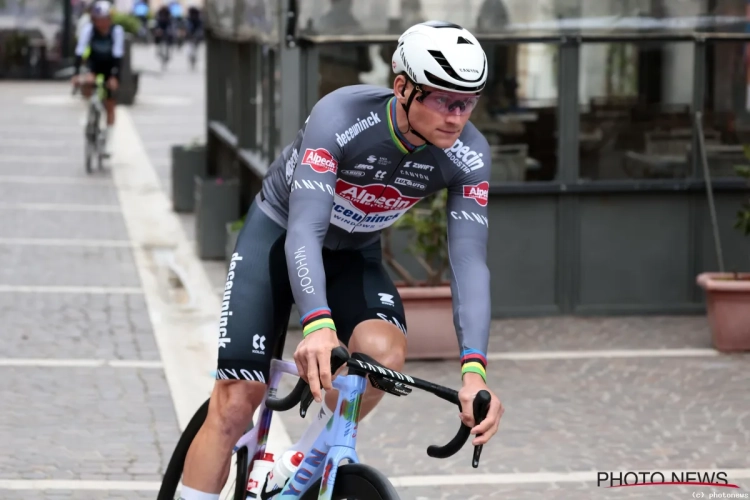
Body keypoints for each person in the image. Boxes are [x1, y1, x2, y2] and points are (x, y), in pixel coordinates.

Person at [178, 21, 504, 500]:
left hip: (355, 251)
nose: (457, 117)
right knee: (234, 405)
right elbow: (304, 231)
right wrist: (316, 324)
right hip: (279, 234)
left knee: (384, 354)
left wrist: (474, 372)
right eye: (443, 99)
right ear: (402, 88)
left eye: (468, 102)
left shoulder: (469, 155)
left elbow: (470, 263)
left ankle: (299, 462)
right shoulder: (341, 116)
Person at [72, 0, 123, 156]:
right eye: (98, 19)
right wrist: (76, 74)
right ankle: (91, 114)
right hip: (94, 66)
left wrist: (115, 77)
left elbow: (118, 55)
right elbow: (80, 51)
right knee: (87, 84)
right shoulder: (89, 30)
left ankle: (107, 141)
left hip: (110, 67)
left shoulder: (116, 31)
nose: (101, 23)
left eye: (104, 19)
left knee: (110, 105)